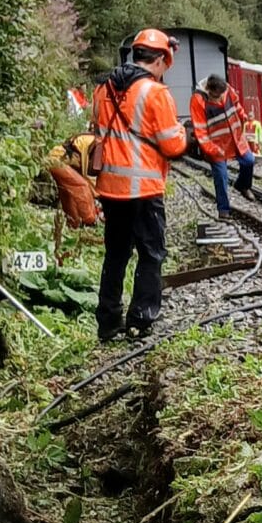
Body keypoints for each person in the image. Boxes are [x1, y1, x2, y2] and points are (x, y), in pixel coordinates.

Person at [91, 29, 187, 343]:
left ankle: (108, 322)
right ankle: (141, 319)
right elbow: (172, 145)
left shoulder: (103, 89)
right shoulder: (155, 93)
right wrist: (183, 134)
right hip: (144, 189)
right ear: (160, 60)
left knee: (116, 255)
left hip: (110, 186)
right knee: (151, 254)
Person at [189, 71, 257, 215]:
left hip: (235, 138)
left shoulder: (226, 88)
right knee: (221, 176)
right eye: (217, 96)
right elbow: (200, 131)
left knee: (249, 160)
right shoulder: (198, 100)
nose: (220, 99)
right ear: (209, 90)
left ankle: (243, 185)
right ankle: (224, 210)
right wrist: (212, 149)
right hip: (216, 144)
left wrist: (243, 116)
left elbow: (236, 104)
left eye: (222, 95)